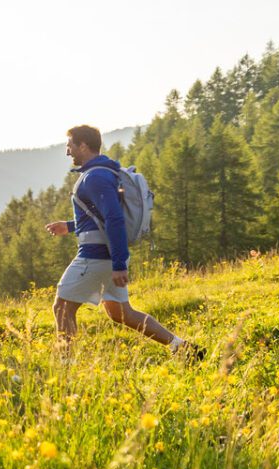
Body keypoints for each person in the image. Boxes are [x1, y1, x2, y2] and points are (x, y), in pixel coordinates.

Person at [45, 124, 202, 358]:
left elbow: (114, 219)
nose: (68, 152)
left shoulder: (95, 177)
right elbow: (99, 218)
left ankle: (66, 370)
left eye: (70, 146)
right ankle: (182, 348)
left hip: (95, 257)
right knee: (122, 314)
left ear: (84, 145)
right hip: (107, 256)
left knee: (63, 307)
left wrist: (120, 263)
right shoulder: (102, 173)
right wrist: (69, 226)